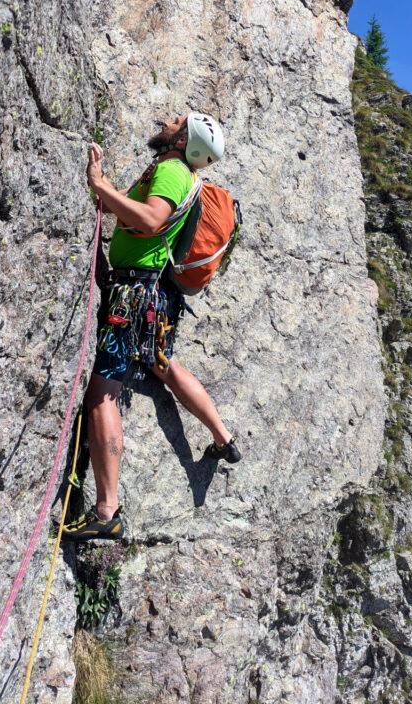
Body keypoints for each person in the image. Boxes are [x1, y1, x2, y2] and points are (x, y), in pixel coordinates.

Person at [62, 113, 241, 543]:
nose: (166, 120)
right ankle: (222, 436)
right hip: (152, 295)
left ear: (184, 140)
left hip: (133, 295)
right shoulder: (177, 172)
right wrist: (103, 188)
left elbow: (149, 220)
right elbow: (129, 210)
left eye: (177, 121)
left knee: (102, 391)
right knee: (163, 363)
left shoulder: (173, 171)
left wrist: (100, 186)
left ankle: (106, 511)